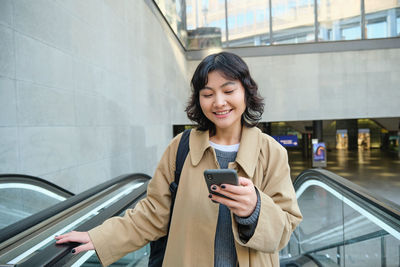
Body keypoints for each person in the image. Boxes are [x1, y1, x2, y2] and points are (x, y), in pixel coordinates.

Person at [55, 52, 302, 266]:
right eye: (207, 94)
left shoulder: (271, 152)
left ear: (246, 93)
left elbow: (286, 227)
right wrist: (99, 237)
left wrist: (254, 209)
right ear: (198, 99)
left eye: (228, 90)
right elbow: (152, 214)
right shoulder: (180, 147)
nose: (219, 102)